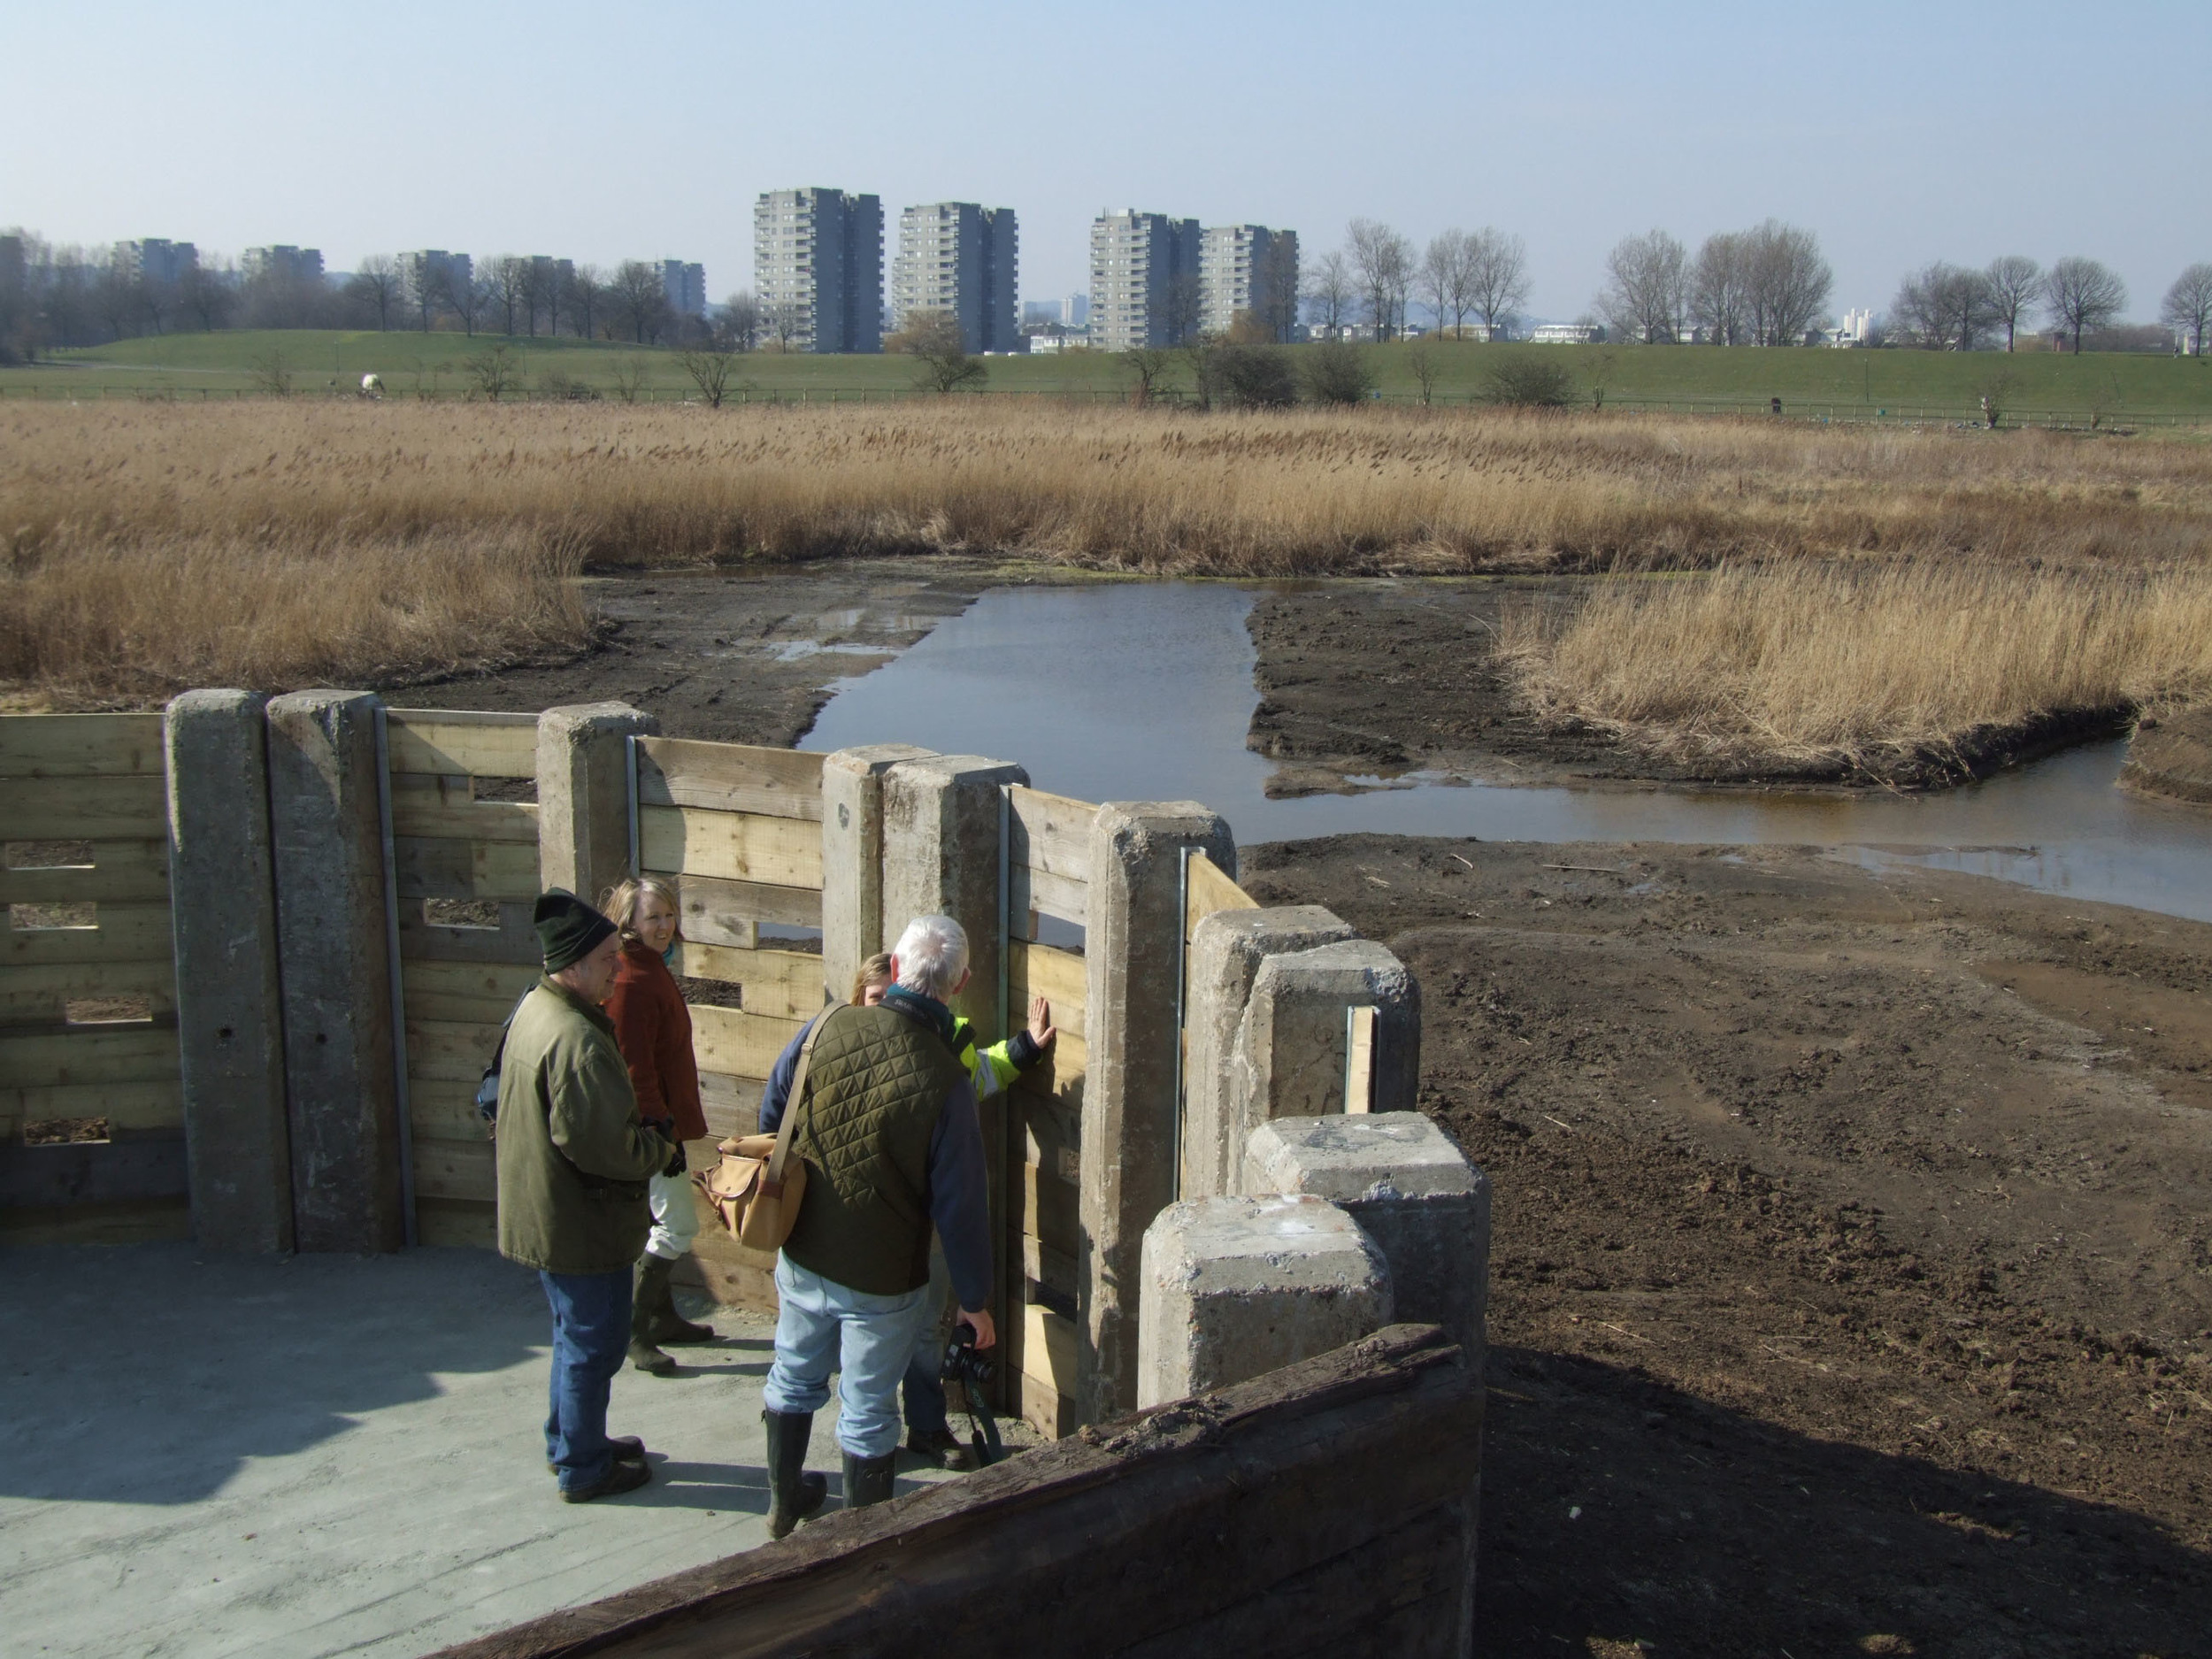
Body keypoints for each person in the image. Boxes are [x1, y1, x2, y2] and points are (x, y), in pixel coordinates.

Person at [755, 916, 996, 1538]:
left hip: (804, 1248)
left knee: (792, 1372)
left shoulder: (828, 1024)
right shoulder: (948, 1081)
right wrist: (975, 1301)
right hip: (883, 1275)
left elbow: (774, 1109)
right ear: (960, 983)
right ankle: (862, 1547)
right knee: (866, 1411)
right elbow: (961, 1205)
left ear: (893, 968)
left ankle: (783, 1504)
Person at [495, 888, 674, 1503]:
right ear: (571, 965)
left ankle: (571, 1440)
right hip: (578, 1221)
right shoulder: (577, 1040)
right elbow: (602, 1144)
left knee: (573, 1334)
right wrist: (658, 1148)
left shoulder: (538, 1010)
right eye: (605, 957)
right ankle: (583, 1465)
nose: (616, 968)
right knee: (594, 1343)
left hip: (546, 1209)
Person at [850, 951, 1055, 1469]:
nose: (881, 1009)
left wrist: (1025, 1049)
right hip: (870, 1220)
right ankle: (865, 1444)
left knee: (925, 1331)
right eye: (872, 999)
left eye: (885, 997)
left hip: (928, 1224)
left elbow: (977, 1075)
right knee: (868, 1333)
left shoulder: (945, 1045)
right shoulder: (844, 1049)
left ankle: (925, 1428)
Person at [601, 876, 716, 1376]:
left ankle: (663, 1319)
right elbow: (633, 1068)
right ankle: (634, 1330)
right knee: (677, 1225)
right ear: (628, 923)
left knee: (661, 1221)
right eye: (654, 917)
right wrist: (660, 1132)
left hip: (662, 1122)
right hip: (653, 1130)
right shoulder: (630, 979)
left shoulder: (649, 968)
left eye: (669, 915)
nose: (665, 925)